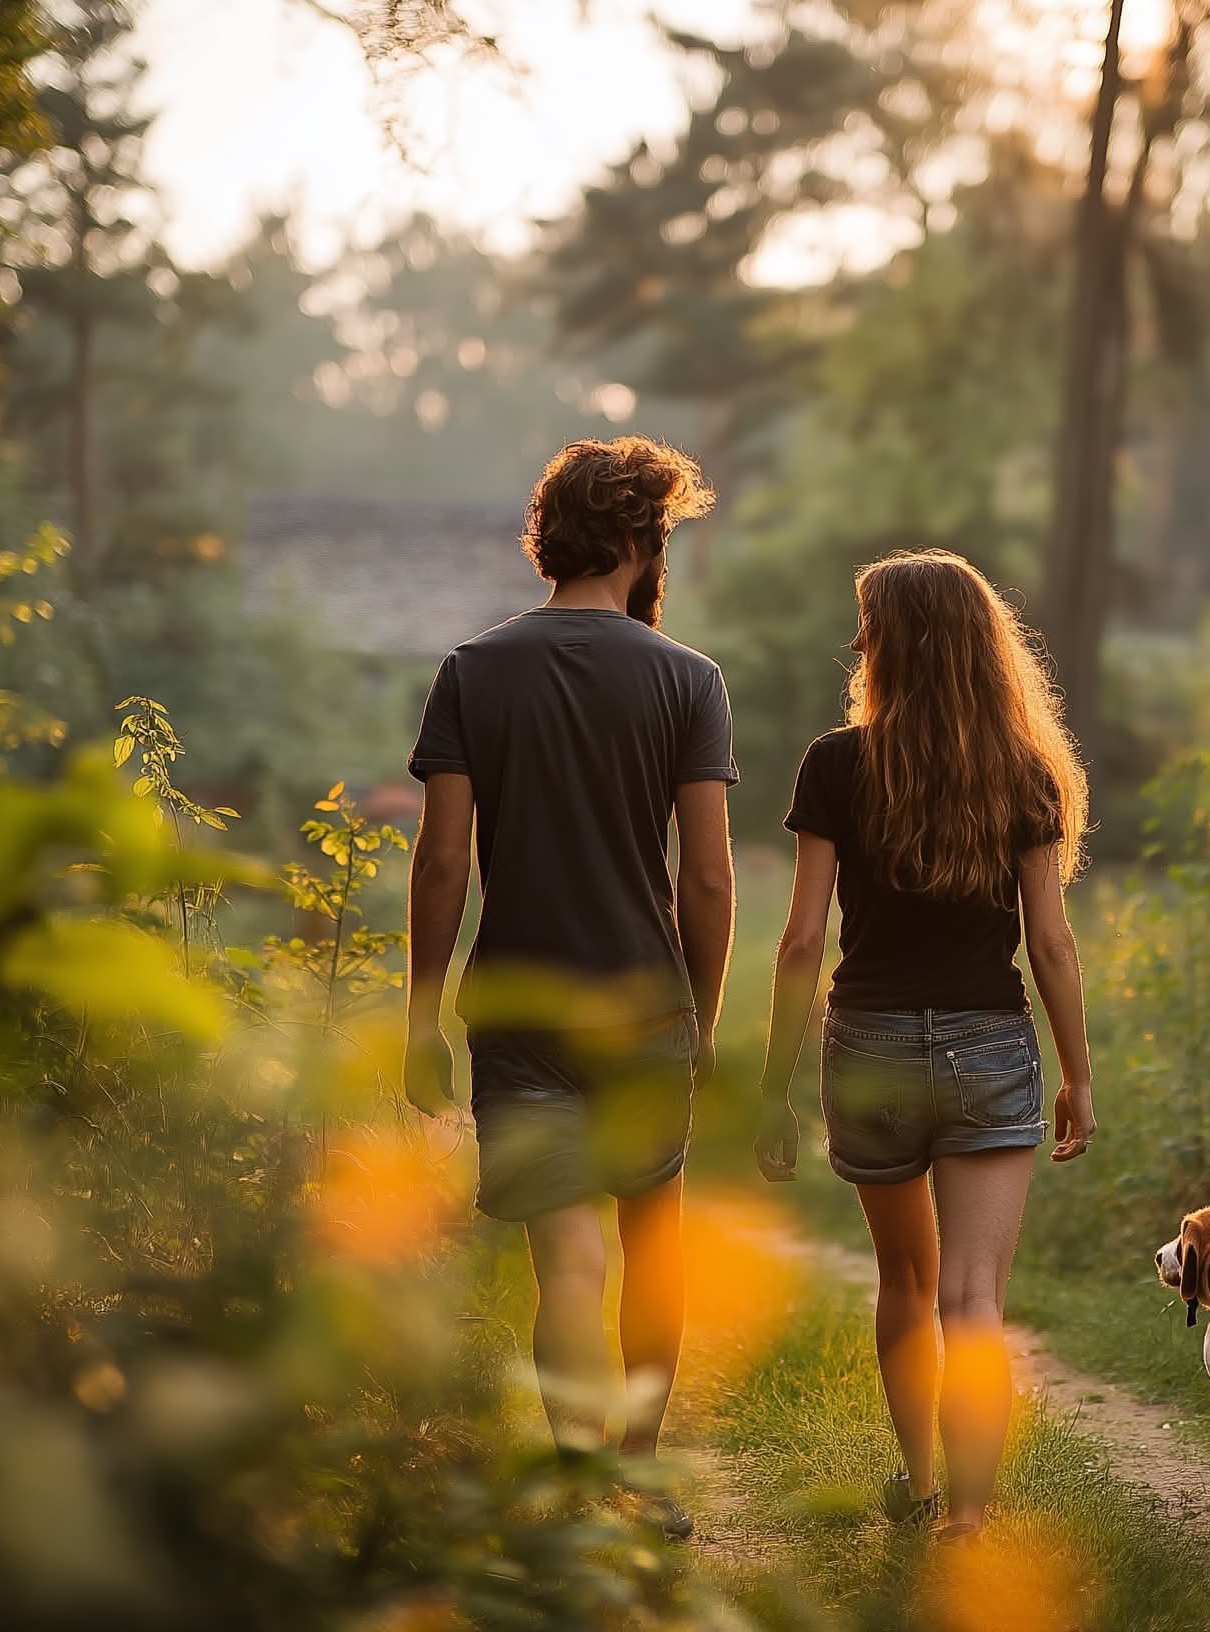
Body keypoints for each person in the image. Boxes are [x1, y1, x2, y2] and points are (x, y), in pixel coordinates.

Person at [403, 438, 737, 1537]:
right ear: (643, 541)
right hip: (646, 1008)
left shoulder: (472, 670)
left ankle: (581, 1489)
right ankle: (639, 1478)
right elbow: (706, 873)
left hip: (520, 1016)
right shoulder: (687, 679)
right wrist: (703, 1011)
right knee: (652, 1244)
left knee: (566, 1261)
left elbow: (443, 861)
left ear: (549, 536)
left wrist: (420, 1013)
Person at [751, 548, 1097, 1540]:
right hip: (990, 1044)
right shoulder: (1024, 773)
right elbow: (1049, 945)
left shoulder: (833, 764)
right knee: (972, 1294)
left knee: (904, 1282)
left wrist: (775, 1087)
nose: (854, 641)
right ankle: (973, 1514)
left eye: (866, 623)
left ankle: (916, 1482)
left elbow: (802, 940)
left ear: (895, 644)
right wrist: (1076, 1074)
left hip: (867, 1049)